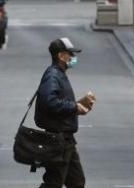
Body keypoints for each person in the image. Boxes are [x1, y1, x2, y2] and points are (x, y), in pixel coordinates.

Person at [35, 37, 95, 188]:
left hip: (66, 139)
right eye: (71, 54)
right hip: (58, 139)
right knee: (54, 182)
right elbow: (49, 102)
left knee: (76, 182)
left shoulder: (59, 74)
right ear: (61, 56)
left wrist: (81, 103)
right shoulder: (53, 75)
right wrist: (75, 108)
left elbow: (59, 102)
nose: (73, 58)